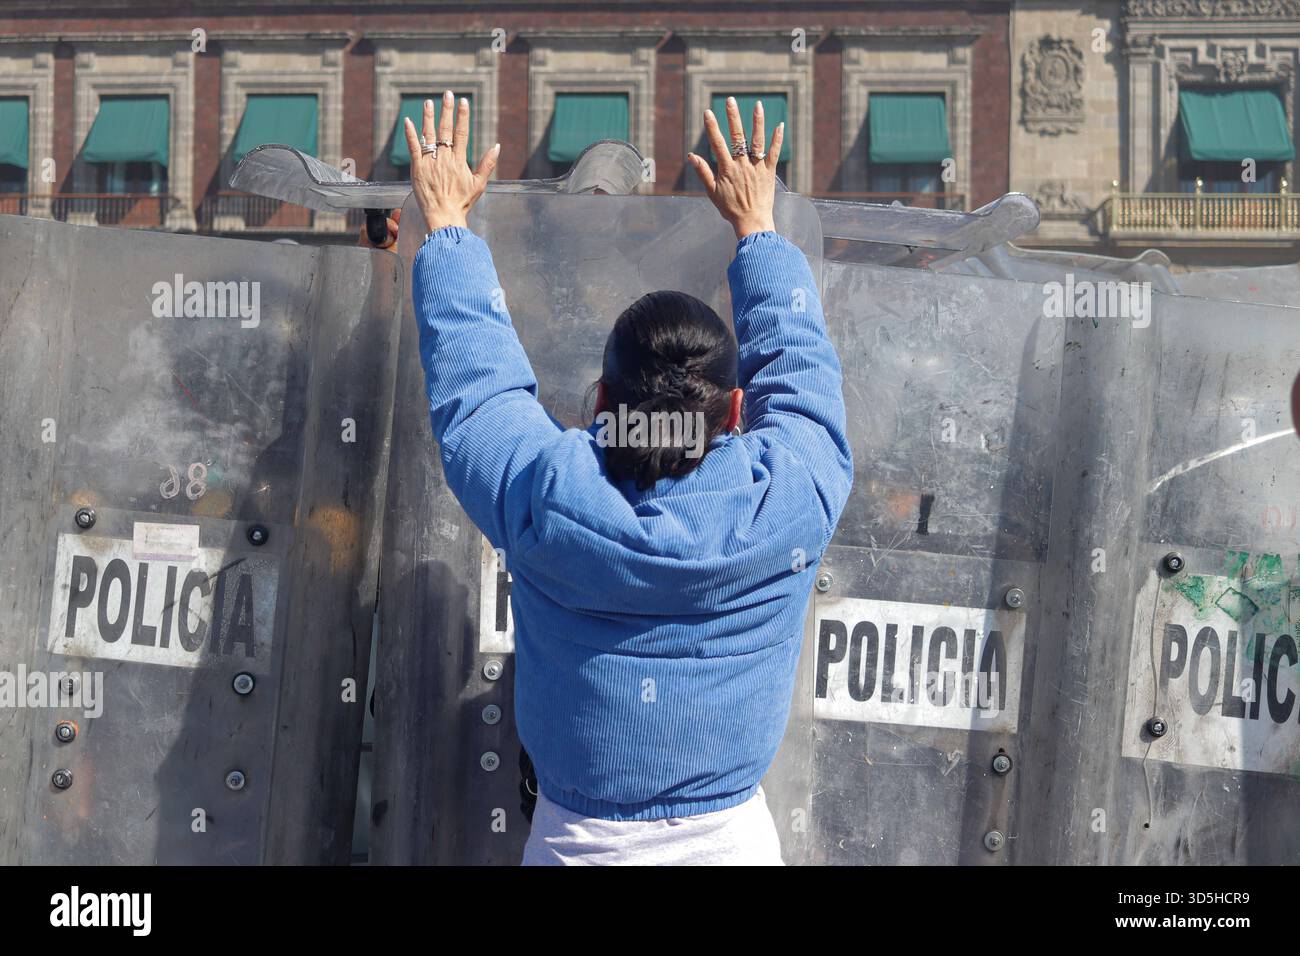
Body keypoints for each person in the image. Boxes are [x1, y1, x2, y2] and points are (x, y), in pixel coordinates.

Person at [373, 90, 852, 864]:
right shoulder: (790, 498)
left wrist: (449, 226)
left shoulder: (548, 498)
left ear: (599, 402)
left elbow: (480, 393)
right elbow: (799, 370)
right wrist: (757, 230)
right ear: (735, 410)